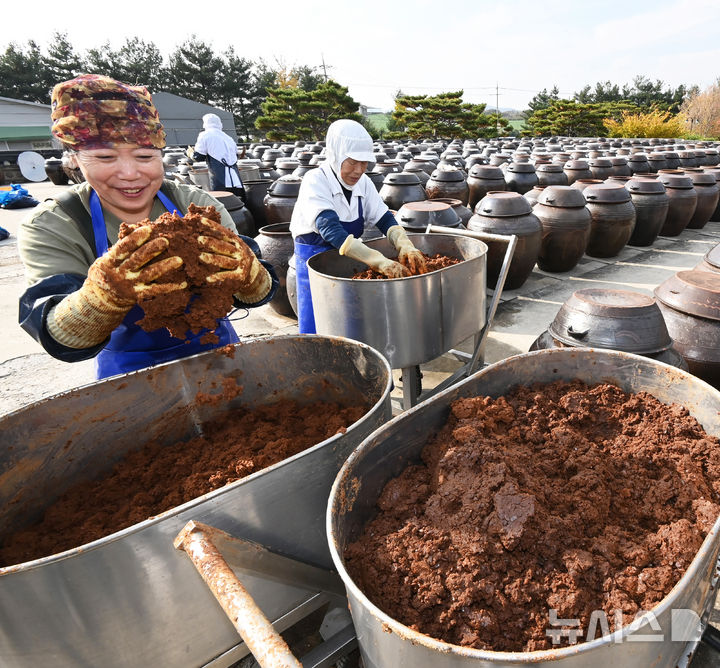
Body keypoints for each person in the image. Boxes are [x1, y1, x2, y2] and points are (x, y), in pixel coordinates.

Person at [18, 74, 277, 380]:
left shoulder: (194, 204)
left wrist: (251, 276)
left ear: (161, 153)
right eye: (105, 156)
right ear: (74, 158)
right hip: (131, 380)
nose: (129, 173)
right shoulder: (56, 223)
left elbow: (257, 294)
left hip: (219, 357)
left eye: (144, 156)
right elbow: (60, 337)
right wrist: (103, 296)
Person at [289, 119, 426, 334]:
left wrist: (404, 243)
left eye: (364, 163)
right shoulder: (315, 180)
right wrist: (378, 261)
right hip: (316, 268)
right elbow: (330, 230)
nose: (359, 170)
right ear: (336, 155)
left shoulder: (363, 183)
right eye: (352, 162)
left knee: (351, 325)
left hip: (350, 262)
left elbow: (383, 218)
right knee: (319, 327)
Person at [190, 113, 245, 200]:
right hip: (235, 178)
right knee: (238, 201)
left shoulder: (205, 135)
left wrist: (191, 154)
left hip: (220, 176)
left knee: (222, 200)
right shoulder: (228, 137)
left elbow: (199, 157)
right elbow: (235, 154)